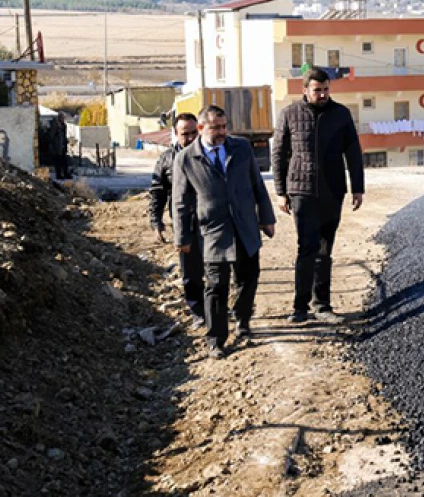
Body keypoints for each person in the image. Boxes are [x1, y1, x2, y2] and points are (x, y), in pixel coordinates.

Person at [173, 105, 276, 359]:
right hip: (213, 232)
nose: (221, 132)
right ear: (200, 129)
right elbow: (181, 202)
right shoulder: (186, 159)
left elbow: (257, 184)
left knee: (248, 278)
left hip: (245, 226)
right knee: (216, 286)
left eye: (223, 126)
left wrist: (266, 217)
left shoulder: (241, 148)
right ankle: (216, 339)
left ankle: (242, 320)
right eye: (214, 128)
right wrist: (182, 238)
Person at [272, 66, 365, 324]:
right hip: (301, 191)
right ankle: (300, 307)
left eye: (325, 89)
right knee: (307, 248)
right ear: (305, 90)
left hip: (332, 191)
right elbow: (279, 153)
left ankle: (322, 305)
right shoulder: (290, 114)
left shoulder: (341, 114)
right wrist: (281, 192)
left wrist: (357, 187)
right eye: (317, 90)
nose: (322, 94)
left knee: (325, 249)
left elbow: (354, 153)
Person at [149, 112, 205, 328]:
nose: (190, 138)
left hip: (211, 223)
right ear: (175, 134)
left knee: (216, 269)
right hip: (184, 224)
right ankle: (198, 311)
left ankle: (218, 307)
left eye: (194, 132)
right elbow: (157, 192)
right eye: (185, 134)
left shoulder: (209, 155)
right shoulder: (166, 160)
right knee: (191, 272)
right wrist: (157, 222)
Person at [47, 112, 70, 179]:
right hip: (57, 147)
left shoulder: (63, 125)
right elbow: (51, 136)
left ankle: (66, 174)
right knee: (58, 162)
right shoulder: (55, 125)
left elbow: (64, 136)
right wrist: (53, 146)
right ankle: (59, 175)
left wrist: (65, 143)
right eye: (62, 117)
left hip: (62, 146)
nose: (63, 119)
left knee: (64, 161)